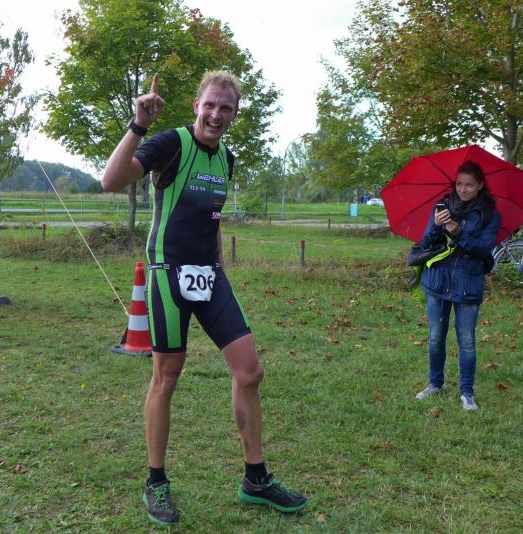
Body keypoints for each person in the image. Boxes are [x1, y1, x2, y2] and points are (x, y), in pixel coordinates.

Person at [101, 71, 308, 526]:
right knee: (166, 377)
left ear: (235, 114)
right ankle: (156, 481)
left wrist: (220, 269)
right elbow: (111, 181)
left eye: (226, 108)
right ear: (197, 104)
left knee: (249, 371)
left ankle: (256, 479)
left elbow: (212, 219)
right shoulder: (171, 144)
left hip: (210, 277)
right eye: (210, 105)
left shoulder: (226, 159)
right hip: (167, 274)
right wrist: (138, 125)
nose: (216, 114)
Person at [414, 161, 501, 412]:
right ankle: (435, 384)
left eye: (469, 185)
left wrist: (458, 233)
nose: (462, 190)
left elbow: (483, 249)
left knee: (467, 341)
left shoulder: (489, 215)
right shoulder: (442, 206)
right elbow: (426, 242)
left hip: (467, 284)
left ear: (480, 185)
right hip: (437, 281)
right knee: (435, 337)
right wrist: (437, 225)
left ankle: (467, 393)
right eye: (459, 184)